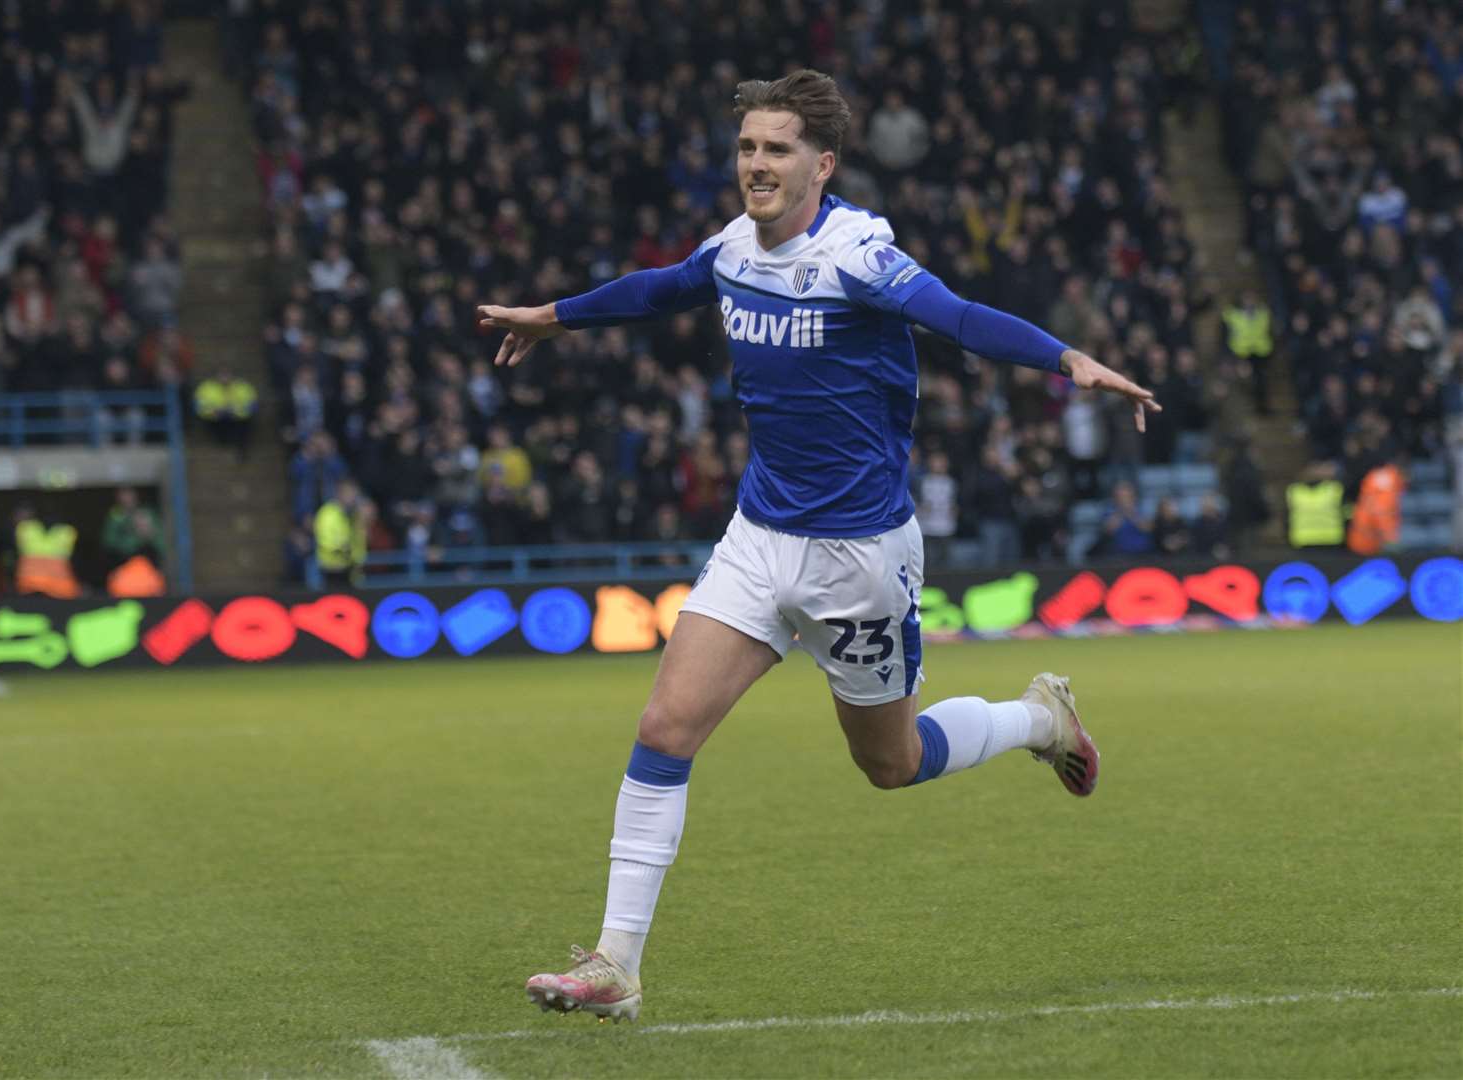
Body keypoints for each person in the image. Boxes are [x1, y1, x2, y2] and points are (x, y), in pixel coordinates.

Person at [478, 70, 1160, 1024]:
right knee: (665, 731)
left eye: (778, 150)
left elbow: (958, 317)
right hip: (759, 539)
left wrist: (1069, 360)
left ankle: (1040, 722)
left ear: (822, 164)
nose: (756, 164)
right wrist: (553, 317)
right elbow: (659, 289)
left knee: (891, 763)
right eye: (748, 148)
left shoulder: (859, 258)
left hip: (860, 558)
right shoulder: (730, 249)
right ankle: (615, 964)